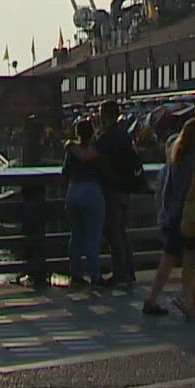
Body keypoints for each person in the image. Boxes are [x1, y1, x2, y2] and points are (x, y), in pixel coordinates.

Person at [141, 118, 195, 321]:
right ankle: (187, 295)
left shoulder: (177, 154)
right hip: (192, 216)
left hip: (173, 215)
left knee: (173, 259)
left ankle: (158, 300)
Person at [91, 100, 143, 288]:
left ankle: (120, 272)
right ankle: (128, 271)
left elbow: (92, 155)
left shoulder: (106, 137)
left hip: (111, 188)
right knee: (121, 230)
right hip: (125, 187)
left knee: (114, 232)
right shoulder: (124, 135)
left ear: (104, 115)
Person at [61, 119, 106, 288]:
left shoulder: (71, 151)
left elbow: (65, 172)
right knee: (93, 237)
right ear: (92, 132)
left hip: (73, 192)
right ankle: (95, 275)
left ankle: (76, 273)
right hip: (92, 192)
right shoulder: (97, 151)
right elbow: (104, 171)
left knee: (76, 236)